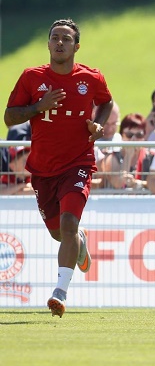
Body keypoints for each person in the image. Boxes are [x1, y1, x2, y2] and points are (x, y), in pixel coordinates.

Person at [4, 18, 114, 317]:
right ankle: (80, 242)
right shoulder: (31, 78)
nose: (60, 42)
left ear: (76, 46)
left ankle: (60, 293)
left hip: (78, 163)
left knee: (68, 225)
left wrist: (98, 126)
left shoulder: (91, 78)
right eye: (55, 37)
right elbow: (9, 118)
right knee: (59, 233)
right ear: (49, 43)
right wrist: (38, 107)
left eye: (66, 38)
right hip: (42, 169)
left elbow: (106, 102)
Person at [98, 113, 154, 191]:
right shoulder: (112, 157)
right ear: (121, 135)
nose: (133, 139)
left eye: (139, 135)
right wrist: (128, 155)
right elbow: (118, 183)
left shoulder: (151, 156)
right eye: (129, 135)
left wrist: (137, 183)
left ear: (144, 137)